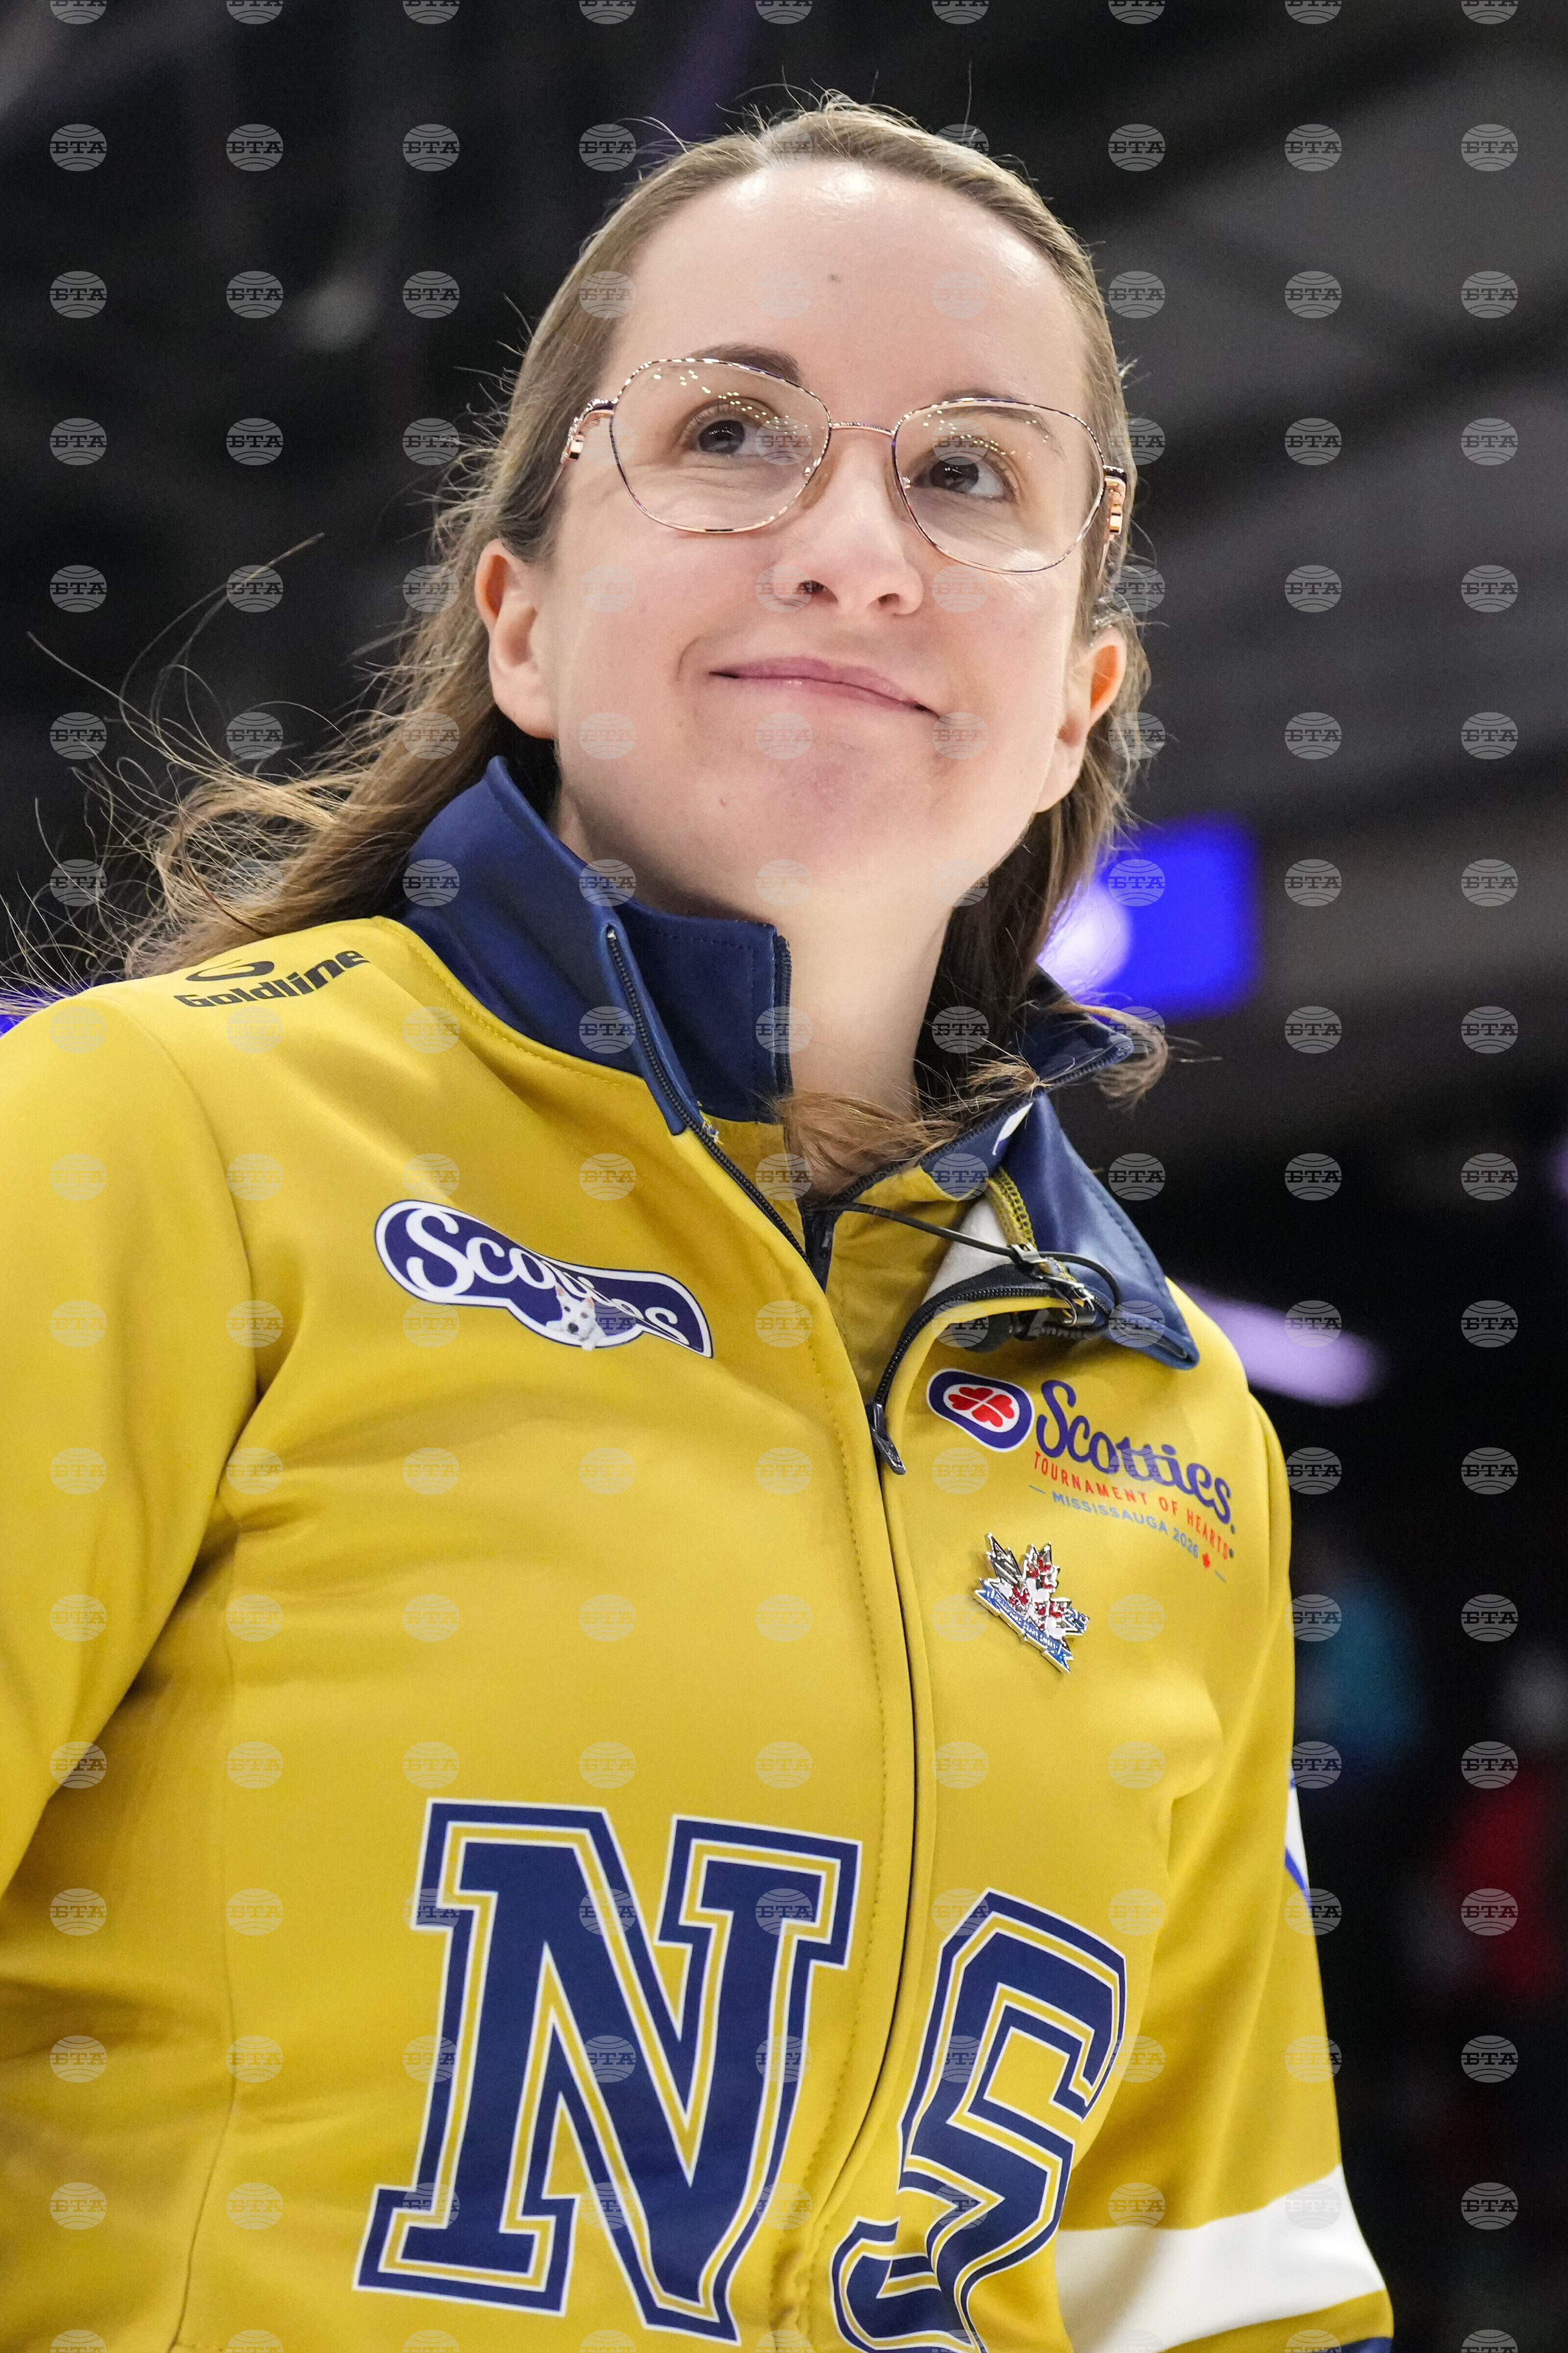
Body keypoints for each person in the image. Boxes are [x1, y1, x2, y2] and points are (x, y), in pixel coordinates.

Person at [0, 96, 1392, 2353]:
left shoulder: (1169, 1423)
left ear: (1070, 709)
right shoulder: (144, 1150)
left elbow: (1204, 2285)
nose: (857, 546)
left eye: (967, 472)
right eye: (734, 432)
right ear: (522, 619)